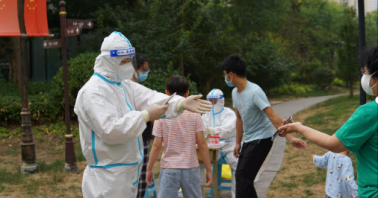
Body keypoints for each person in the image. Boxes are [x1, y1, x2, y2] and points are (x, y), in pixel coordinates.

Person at [74, 32, 212, 198]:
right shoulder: (93, 92)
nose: (127, 66)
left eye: (128, 61)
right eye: (123, 62)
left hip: (127, 173)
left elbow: (150, 96)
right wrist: (144, 116)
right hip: (107, 179)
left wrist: (179, 103)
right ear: (109, 61)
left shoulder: (122, 85)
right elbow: (111, 131)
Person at [278, 47, 378, 198]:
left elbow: (333, 143)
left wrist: (299, 127)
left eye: (365, 71)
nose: (364, 75)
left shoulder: (369, 113)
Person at [220, 54, 307, 198]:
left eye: (225, 75)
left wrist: (291, 138)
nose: (225, 78)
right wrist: (237, 142)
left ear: (231, 74)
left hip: (262, 139)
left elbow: (273, 117)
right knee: (244, 179)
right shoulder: (235, 92)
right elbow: (239, 118)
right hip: (249, 140)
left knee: (242, 177)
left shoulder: (255, 92)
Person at [146, 76, 213, 198]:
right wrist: (208, 170)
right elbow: (202, 144)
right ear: (187, 94)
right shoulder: (195, 114)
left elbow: (156, 146)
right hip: (190, 167)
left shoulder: (162, 115)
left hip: (169, 168)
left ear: (166, 93)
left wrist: (149, 168)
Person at [201, 88, 238, 198]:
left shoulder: (229, 113)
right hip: (209, 146)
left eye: (214, 101)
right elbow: (200, 130)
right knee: (196, 164)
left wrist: (212, 130)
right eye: (210, 101)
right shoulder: (205, 114)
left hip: (229, 145)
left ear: (221, 101)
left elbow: (228, 128)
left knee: (238, 164)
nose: (212, 103)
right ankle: (196, 194)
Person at [127, 53, 153, 198]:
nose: (146, 73)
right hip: (137, 138)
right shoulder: (128, 89)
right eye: (144, 69)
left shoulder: (137, 88)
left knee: (141, 177)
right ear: (135, 69)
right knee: (137, 176)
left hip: (142, 136)